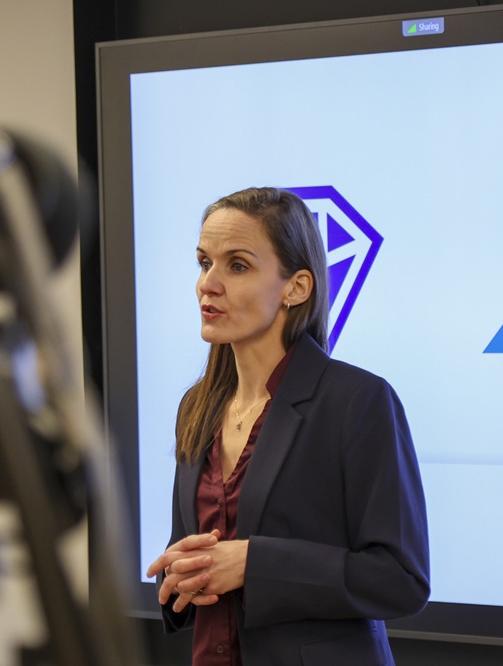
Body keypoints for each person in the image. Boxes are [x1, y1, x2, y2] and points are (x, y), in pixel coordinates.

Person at [146, 187, 429, 665]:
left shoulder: (358, 401)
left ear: (296, 287)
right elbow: (193, 555)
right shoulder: (195, 407)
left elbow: (400, 579)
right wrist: (180, 572)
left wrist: (254, 563)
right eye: (204, 263)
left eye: (237, 265)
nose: (208, 284)